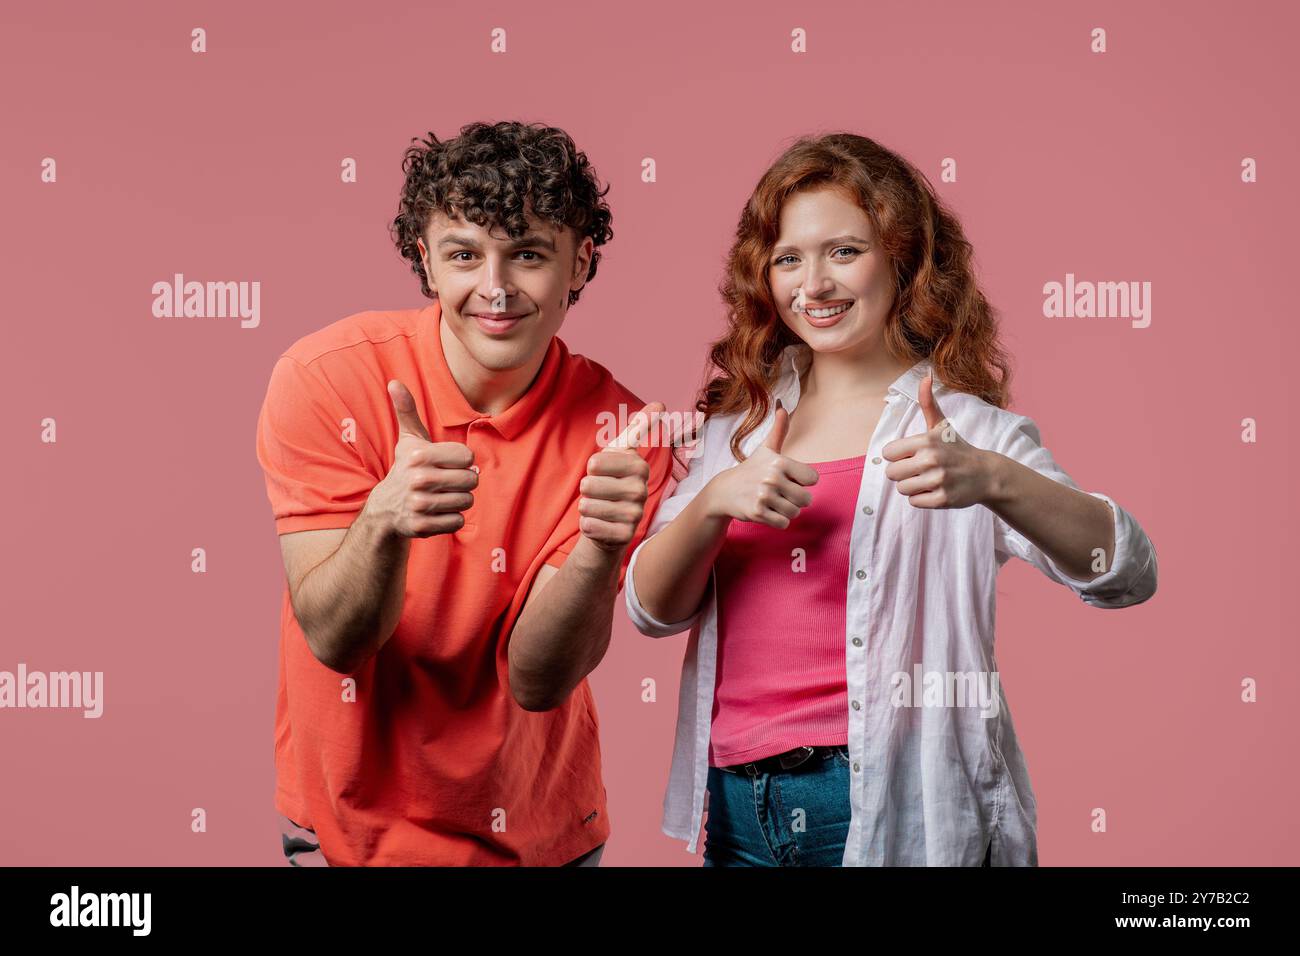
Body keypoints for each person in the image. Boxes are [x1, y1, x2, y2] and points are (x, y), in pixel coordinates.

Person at [624, 132, 1158, 866]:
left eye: (843, 251)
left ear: (901, 259)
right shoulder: (734, 427)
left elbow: (1126, 571)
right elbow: (651, 610)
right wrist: (715, 501)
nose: (812, 285)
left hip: (885, 798)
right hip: (735, 802)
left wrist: (995, 480)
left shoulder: (965, 429)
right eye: (788, 259)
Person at [255, 120, 675, 865]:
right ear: (426, 260)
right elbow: (338, 641)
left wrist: (599, 552)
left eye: (528, 255)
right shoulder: (324, 379)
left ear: (580, 262)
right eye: (464, 255)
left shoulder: (626, 433)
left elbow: (539, 679)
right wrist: (384, 520)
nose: (496, 288)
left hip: (540, 840)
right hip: (346, 833)